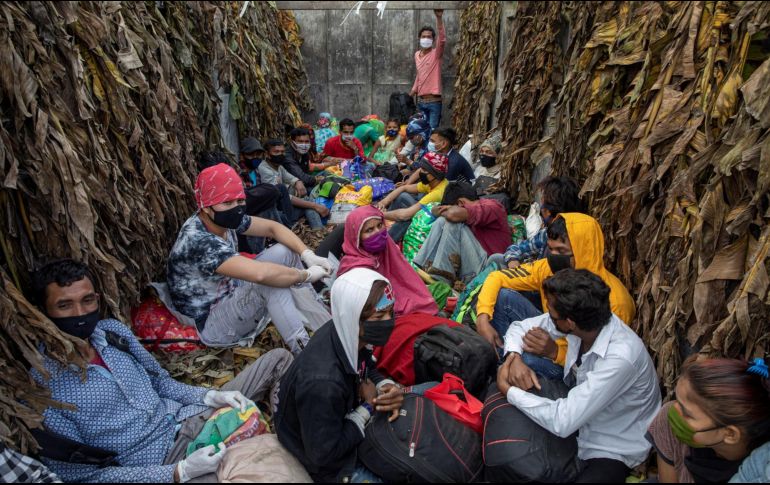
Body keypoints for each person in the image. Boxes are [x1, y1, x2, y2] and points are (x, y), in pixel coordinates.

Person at [28, 259, 294, 482]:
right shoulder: (43, 386)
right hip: (161, 460)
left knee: (279, 360)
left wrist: (209, 397)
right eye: (65, 305)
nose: (80, 312)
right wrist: (177, 472)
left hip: (191, 417)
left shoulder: (111, 333)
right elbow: (82, 477)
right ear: (41, 312)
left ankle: (288, 434)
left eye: (87, 301)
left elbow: (162, 384)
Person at [497, 269, 661, 483]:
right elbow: (520, 327)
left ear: (570, 322)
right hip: (579, 418)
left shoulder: (621, 357)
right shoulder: (584, 325)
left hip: (613, 445)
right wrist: (514, 358)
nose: (549, 316)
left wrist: (509, 391)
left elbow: (564, 421)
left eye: (553, 314)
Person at [167, 163, 332, 353]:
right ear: (205, 207)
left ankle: (318, 316)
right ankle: (306, 351)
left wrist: (307, 254)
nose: (236, 208)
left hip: (232, 293)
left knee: (286, 251)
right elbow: (261, 275)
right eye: (227, 203)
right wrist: (305, 275)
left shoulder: (221, 219)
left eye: (239, 201)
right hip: (210, 324)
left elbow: (273, 228)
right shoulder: (199, 240)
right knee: (270, 283)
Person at [275, 269, 406, 482]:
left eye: (390, 312)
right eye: (379, 316)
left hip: (344, 420)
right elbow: (323, 456)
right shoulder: (323, 383)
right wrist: (368, 408)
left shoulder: (346, 332)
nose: (388, 322)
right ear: (354, 317)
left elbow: (365, 366)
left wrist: (386, 386)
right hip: (329, 465)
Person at [476, 213, 636, 377]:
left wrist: (555, 352)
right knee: (503, 298)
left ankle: (506, 371)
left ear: (584, 251)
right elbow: (497, 277)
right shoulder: (546, 268)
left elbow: (597, 367)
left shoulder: (614, 303)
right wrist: (482, 318)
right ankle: (505, 366)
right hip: (553, 332)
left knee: (526, 361)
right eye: (551, 249)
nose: (553, 256)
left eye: (561, 250)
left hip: (572, 368)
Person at [647, 357, 770, 483]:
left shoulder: (758, 472)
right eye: (677, 400)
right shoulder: (669, 420)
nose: (675, 410)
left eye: (687, 413)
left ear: (730, 434)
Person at [337, 205, 438, 316]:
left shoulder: (388, 247)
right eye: (369, 230)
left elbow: (407, 279)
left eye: (380, 225)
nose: (377, 232)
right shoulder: (353, 269)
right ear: (356, 238)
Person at [413, 181, 509, 284]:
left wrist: (444, 211)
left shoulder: (492, 206)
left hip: (489, 270)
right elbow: (437, 211)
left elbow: (452, 215)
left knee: (452, 222)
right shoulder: (467, 215)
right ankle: (421, 269)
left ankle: (440, 279)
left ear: (460, 203)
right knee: (441, 221)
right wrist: (438, 211)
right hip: (472, 267)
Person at [504, 176, 587, 269]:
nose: (541, 207)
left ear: (547, 211)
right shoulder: (546, 234)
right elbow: (516, 248)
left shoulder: (575, 242)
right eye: (551, 249)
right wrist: (512, 261)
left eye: (561, 250)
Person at [377, 151, 449, 243]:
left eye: (424, 169)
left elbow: (405, 215)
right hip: (429, 213)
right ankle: (387, 223)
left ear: (435, 174)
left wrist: (380, 215)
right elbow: (404, 188)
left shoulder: (437, 193)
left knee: (408, 219)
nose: (420, 172)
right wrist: (383, 202)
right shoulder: (433, 181)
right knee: (402, 196)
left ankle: (385, 243)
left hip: (436, 227)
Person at [258, 139, 328, 230]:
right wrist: (314, 205)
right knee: (310, 204)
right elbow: (283, 196)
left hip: (284, 203)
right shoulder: (265, 170)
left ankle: (319, 229)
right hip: (277, 212)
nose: (280, 154)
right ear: (267, 154)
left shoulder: (277, 165)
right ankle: (318, 230)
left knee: (307, 198)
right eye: (276, 152)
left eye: (282, 152)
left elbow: (289, 177)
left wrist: (297, 182)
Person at [411, 9, 446, 129]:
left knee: (432, 131)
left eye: (429, 37)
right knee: (420, 131)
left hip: (434, 102)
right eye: (423, 36)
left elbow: (442, 40)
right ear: (419, 38)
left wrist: (439, 19)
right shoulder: (417, 55)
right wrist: (413, 91)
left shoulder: (436, 54)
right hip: (421, 102)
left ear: (433, 40)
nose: (426, 39)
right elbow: (420, 74)